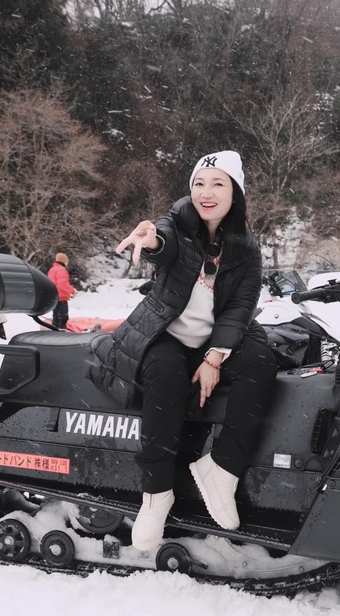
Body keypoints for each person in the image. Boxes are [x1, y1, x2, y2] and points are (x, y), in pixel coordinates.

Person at [89, 150, 277, 552]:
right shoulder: (176, 224)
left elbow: (241, 306)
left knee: (262, 362)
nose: (206, 192)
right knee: (164, 376)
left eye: (218, 184)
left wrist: (215, 357)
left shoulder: (246, 248)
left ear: (235, 192)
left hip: (213, 340)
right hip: (167, 334)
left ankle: (221, 469)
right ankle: (157, 494)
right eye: (199, 184)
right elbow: (163, 243)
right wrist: (151, 241)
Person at [48, 253, 77, 329]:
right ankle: (62, 330)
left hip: (54, 297)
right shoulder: (61, 270)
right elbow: (62, 284)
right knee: (63, 317)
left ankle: (55, 329)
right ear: (64, 261)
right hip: (61, 297)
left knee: (56, 316)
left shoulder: (52, 270)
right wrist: (72, 291)